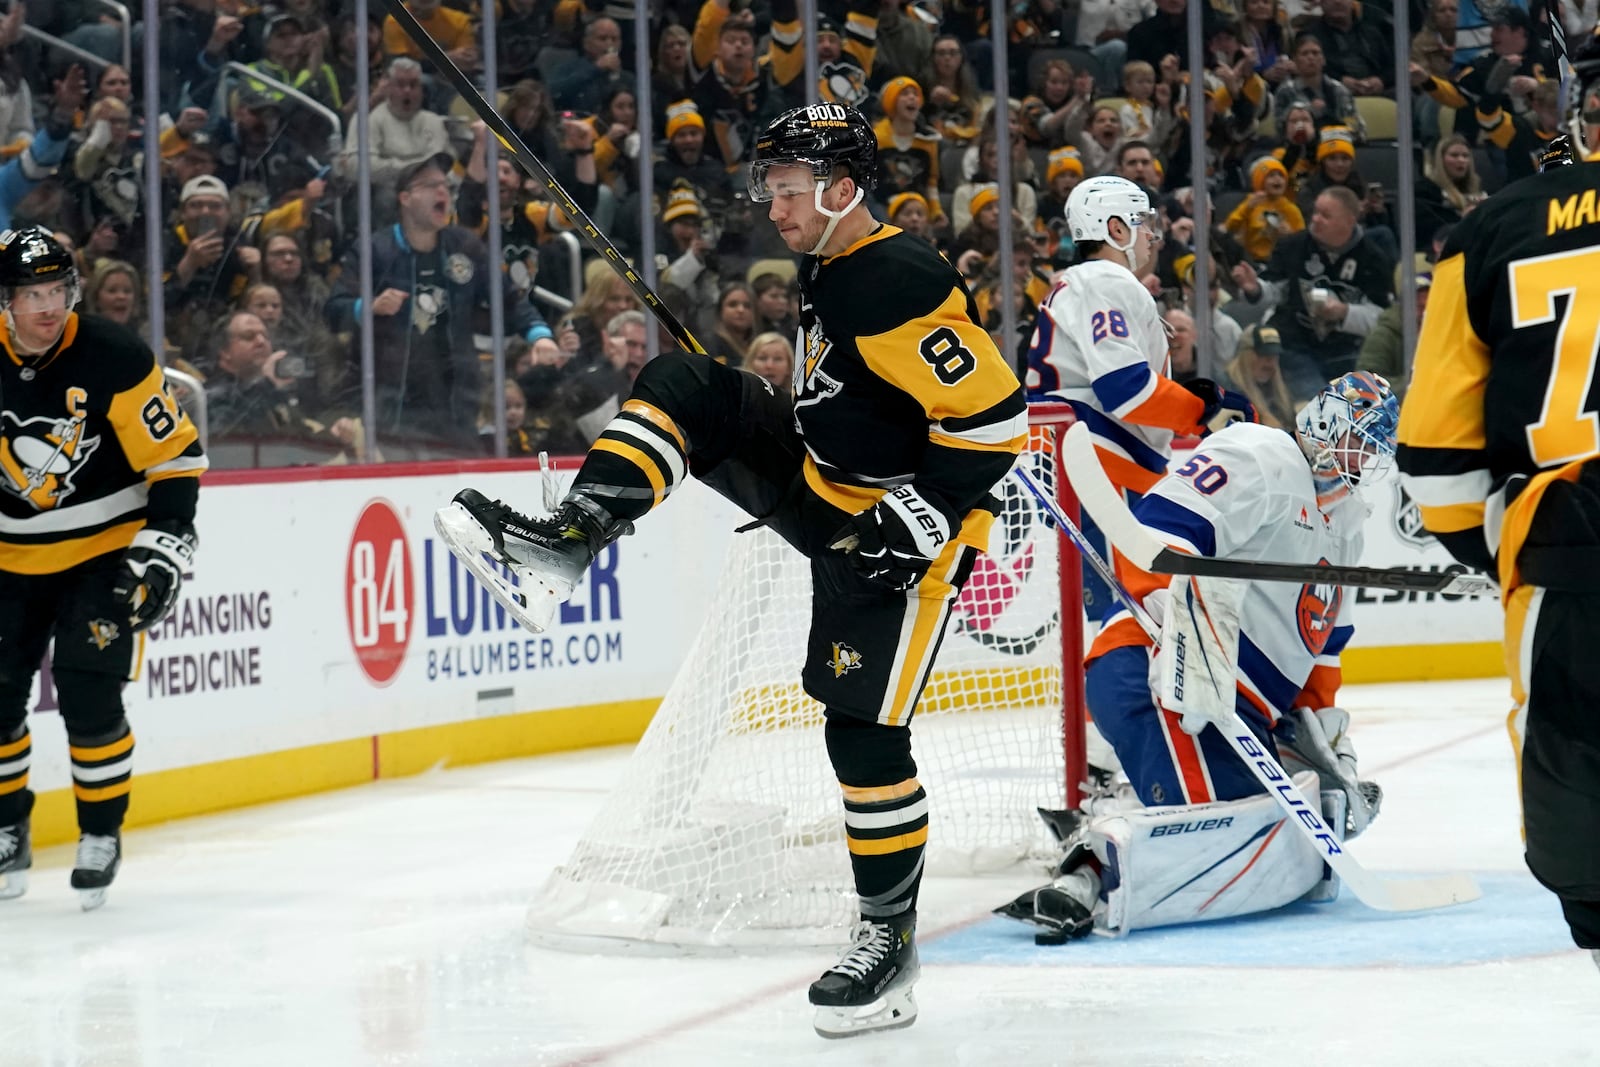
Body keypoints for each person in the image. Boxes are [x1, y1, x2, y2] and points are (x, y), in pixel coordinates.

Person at [434, 104, 1027, 1038]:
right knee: (687, 387)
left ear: (841, 189)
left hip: (899, 538)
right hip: (820, 482)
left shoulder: (901, 280)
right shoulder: (829, 257)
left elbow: (995, 421)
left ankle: (886, 940)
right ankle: (568, 543)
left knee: (862, 739)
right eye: (770, 185)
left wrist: (921, 515)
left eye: (788, 188)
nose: (772, 203)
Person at [998, 371, 1398, 939]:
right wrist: (1169, 613)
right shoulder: (1261, 455)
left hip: (1233, 710)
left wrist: (1330, 748)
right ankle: (1082, 874)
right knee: (1233, 843)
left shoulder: (1347, 530)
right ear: (1330, 421)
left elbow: (1324, 651)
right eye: (1365, 434)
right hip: (1156, 674)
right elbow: (1163, 533)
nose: (1370, 453)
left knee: (1283, 840)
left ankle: (1122, 806)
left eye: (1378, 443)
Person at [1396, 42, 1600, 974]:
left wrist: (1502, 544)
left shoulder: (1493, 229)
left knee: (1576, 787)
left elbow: (1435, 455)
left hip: (1565, 554)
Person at [0, 228, 206, 909]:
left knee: (90, 695)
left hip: (101, 550)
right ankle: (7, 827)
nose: (48, 307)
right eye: (32, 293)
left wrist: (170, 535)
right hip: (9, 557)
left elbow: (174, 457)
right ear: (5, 301)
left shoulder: (112, 353)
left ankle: (100, 834)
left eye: (58, 291)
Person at [1026, 174, 1256, 498]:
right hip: (1098, 467)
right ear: (1116, 229)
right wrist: (1202, 413)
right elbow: (1123, 388)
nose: (1151, 235)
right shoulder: (1104, 281)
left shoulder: (1088, 282)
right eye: (1142, 222)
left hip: (1090, 464)